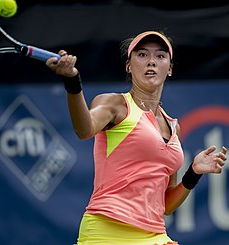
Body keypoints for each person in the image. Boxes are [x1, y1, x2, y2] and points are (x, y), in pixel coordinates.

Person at [46, 31, 227, 245]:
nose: (151, 61)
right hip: (107, 231)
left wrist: (193, 173)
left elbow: (166, 206)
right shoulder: (114, 104)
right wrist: (72, 81)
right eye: (142, 55)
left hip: (155, 235)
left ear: (169, 69)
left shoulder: (172, 127)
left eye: (160, 56)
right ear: (129, 66)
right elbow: (84, 130)